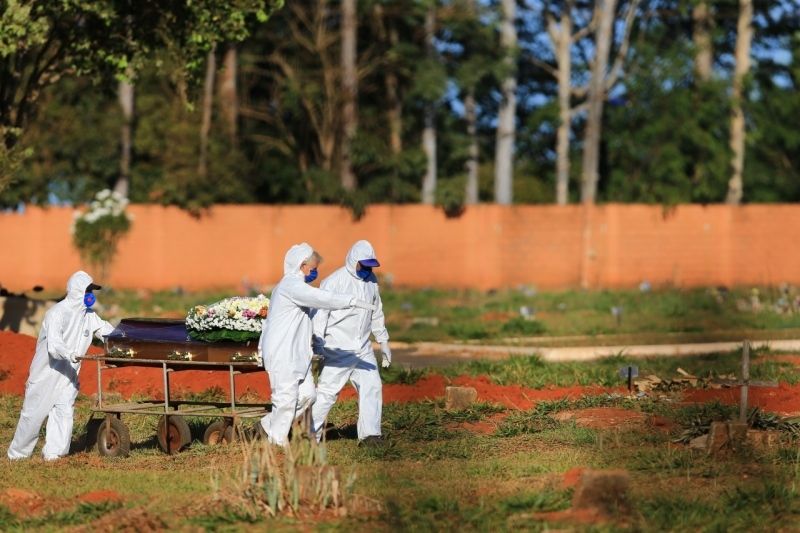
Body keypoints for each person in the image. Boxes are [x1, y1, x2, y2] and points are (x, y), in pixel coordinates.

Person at [258, 243, 375, 446]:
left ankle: (267, 425)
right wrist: (349, 301)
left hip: (297, 354)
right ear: (302, 265)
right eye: (312, 268)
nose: (314, 272)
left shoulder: (298, 287)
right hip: (282, 352)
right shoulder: (290, 286)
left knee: (308, 395)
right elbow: (320, 298)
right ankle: (277, 444)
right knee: (285, 399)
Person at [7, 271, 114, 460]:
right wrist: (70, 354)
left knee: (63, 413)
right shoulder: (57, 313)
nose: (91, 295)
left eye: (92, 291)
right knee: (33, 416)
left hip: (68, 375)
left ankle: (54, 455)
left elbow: (107, 331)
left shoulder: (89, 316)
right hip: (46, 374)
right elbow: (54, 346)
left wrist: (127, 338)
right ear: (77, 291)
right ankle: (17, 456)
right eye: (88, 291)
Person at [310, 240, 391, 444]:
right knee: (327, 393)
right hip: (337, 348)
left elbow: (376, 312)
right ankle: (309, 435)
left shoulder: (371, 281)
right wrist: (318, 345)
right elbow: (320, 315)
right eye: (364, 265)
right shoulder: (334, 282)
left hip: (363, 348)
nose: (367, 270)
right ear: (353, 261)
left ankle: (370, 435)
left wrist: (383, 341)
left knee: (372, 386)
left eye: (370, 266)